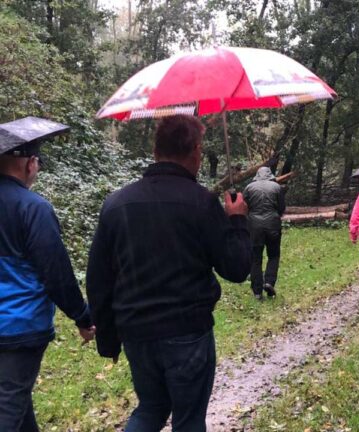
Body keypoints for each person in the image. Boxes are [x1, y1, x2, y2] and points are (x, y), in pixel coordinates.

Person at [86, 115, 251, 432]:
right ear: (195, 150)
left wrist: (108, 340)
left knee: (150, 409)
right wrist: (237, 221)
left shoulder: (116, 204)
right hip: (187, 332)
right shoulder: (201, 203)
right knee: (188, 420)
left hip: (136, 333)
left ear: (156, 150)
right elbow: (237, 268)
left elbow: (98, 280)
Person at [0, 130, 95, 431]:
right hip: (18, 326)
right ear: (30, 164)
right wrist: (82, 316)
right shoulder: (32, 208)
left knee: (16, 403)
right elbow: (55, 271)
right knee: (8, 409)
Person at [243, 166, 286, 300]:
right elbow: (281, 207)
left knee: (255, 258)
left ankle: (257, 292)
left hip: (254, 226)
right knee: (273, 255)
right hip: (273, 224)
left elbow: (244, 207)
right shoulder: (277, 187)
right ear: (270, 175)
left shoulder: (249, 187)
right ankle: (269, 282)